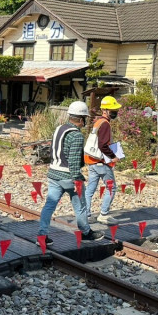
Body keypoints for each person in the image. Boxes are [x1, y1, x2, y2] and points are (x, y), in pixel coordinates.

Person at [38, 101, 103, 243]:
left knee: (49, 205)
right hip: (68, 176)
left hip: (53, 173)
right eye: (85, 118)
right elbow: (73, 162)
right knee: (80, 206)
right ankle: (86, 233)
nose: (85, 121)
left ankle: (42, 235)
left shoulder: (59, 128)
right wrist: (77, 179)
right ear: (81, 119)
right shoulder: (77, 136)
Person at [84, 95, 122, 225]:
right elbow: (103, 145)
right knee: (111, 188)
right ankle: (103, 215)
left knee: (90, 189)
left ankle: (86, 214)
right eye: (112, 110)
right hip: (101, 162)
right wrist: (113, 156)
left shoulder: (98, 121)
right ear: (105, 110)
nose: (115, 113)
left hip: (91, 161)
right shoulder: (105, 124)